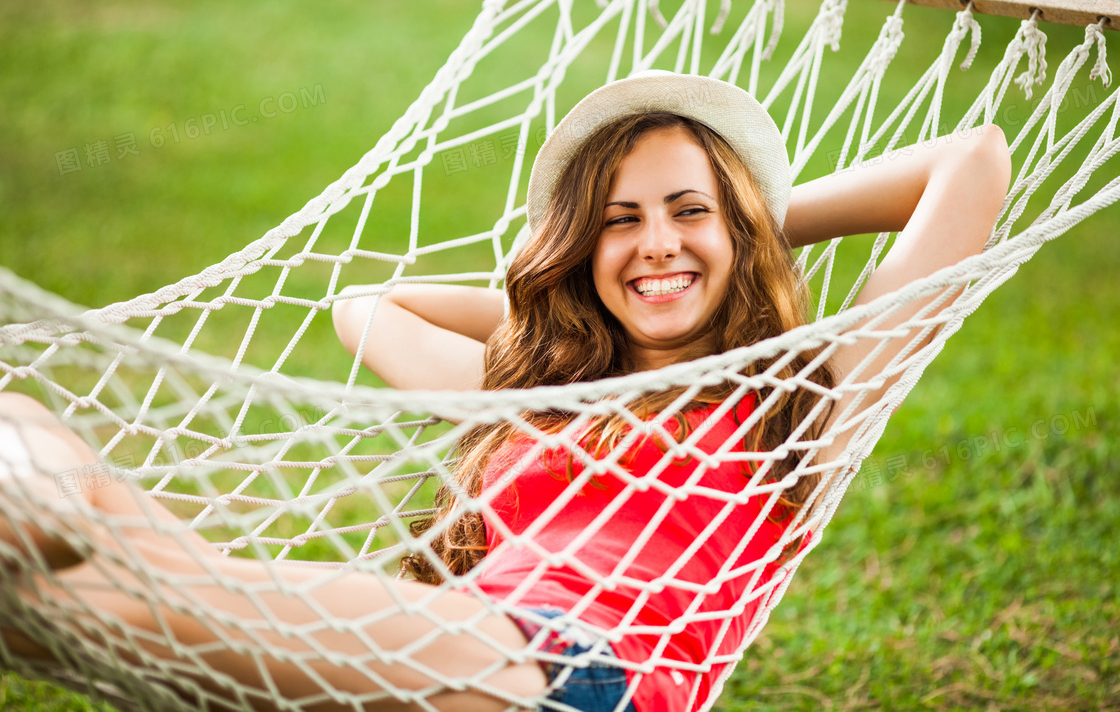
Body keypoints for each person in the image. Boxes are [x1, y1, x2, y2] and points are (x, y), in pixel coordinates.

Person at [0, 72, 1011, 712]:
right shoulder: (532, 395)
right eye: (618, 221)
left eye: (684, 210)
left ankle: (50, 509)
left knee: (148, 582)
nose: (655, 241)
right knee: (45, 583)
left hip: (571, 677)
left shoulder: (801, 399)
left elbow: (969, 163)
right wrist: (576, 286)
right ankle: (42, 505)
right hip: (461, 653)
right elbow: (368, 306)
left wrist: (741, 226)